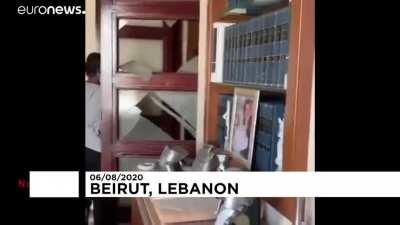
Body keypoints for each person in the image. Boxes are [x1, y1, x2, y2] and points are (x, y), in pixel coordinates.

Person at [85, 52, 101, 224]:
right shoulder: (101, 91)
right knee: (101, 198)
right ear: (99, 71)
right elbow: (99, 124)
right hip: (94, 150)